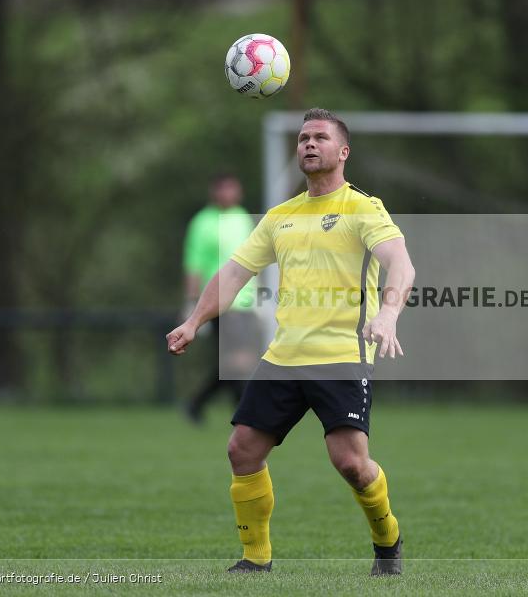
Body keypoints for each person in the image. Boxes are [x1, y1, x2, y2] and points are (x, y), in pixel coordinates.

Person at [166, 108, 415, 576]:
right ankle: (255, 559)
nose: (308, 144)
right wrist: (194, 321)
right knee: (242, 449)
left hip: (342, 355)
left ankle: (387, 538)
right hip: (283, 357)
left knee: (351, 465)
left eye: (320, 137)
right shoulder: (280, 217)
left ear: (343, 152)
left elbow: (401, 264)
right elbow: (235, 273)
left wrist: (388, 313)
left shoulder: (363, 207)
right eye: (302, 138)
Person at [181, 174, 262, 423]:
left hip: (247, 300)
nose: (230, 194)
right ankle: (243, 414)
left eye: (234, 189)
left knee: (233, 361)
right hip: (220, 301)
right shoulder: (203, 223)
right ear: (215, 192)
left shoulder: (243, 218)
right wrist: (191, 303)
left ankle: (197, 403)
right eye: (225, 189)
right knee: (239, 358)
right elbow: (193, 265)